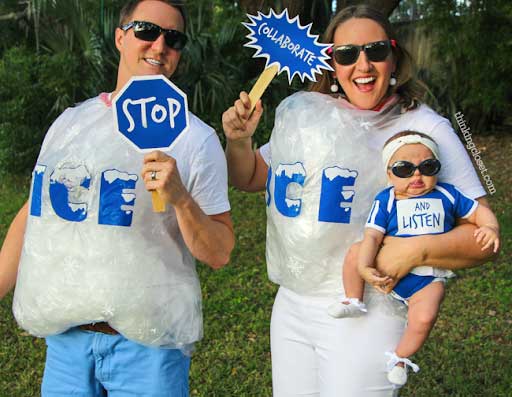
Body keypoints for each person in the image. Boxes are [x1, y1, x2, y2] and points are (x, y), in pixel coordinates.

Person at [222, 5, 498, 396]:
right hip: (292, 305)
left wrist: (415, 252)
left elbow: (484, 237)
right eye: (347, 54)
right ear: (330, 62)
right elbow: (248, 177)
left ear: (394, 55)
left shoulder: (423, 125)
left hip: (369, 308)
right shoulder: (311, 115)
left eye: (376, 50)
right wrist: (238, 140)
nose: (363, 64)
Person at [0, 1, 234, 396]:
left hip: (149, 348)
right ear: (121, 37)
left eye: (173, 38)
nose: (160, 45)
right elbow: (34, 215)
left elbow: (220, 251)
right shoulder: (70, 124)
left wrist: (180, 199)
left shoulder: (196, 138)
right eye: (147, 30)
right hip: (67, 343)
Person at [327, 131, 500, 386]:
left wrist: (490, 228)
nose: (417, 175)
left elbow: (479, 212)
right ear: (389, 174)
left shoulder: (447, 194)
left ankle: (400, 357)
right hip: (384, 266)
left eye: (427, 167)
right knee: (356, 250)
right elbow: (373, 236)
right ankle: (353, 298)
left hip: (426, 278)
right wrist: (364, 266)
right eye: (404, 169)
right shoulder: (386, 199)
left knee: (425, 317)